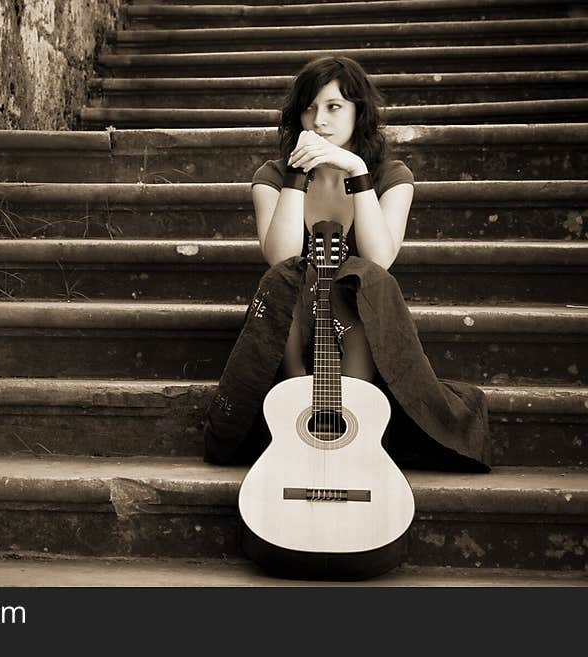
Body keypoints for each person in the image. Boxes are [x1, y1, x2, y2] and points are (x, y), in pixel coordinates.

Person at [203, 56, 492, 472]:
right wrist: (298, 177)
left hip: (363, 325)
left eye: (334, 107)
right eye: (309, 107)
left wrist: (357, 173)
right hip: (293, 326)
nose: (319, 120)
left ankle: (354, 411)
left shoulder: (391, 175)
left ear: (359, 112)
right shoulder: (273, 175)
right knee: (284, 276)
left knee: (368, 276)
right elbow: (281, 257)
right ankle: (298, 395)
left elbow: (380, 258)